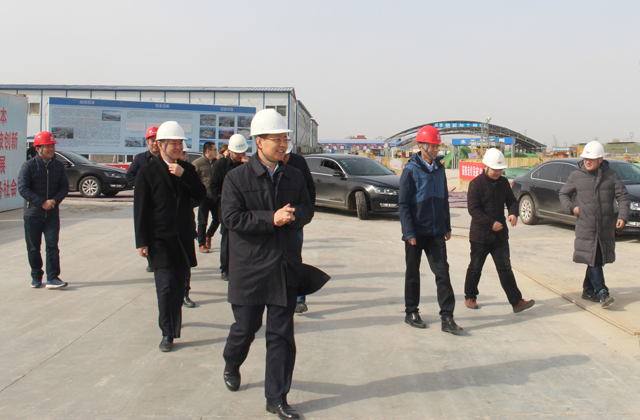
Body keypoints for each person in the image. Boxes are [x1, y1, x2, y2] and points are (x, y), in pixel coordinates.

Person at [221, 109, 328, 420]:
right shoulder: (236, 178)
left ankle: (277, 398)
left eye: (285, 139)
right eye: (276, 139)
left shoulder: (294, 175)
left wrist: (295, 217)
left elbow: (308, 206)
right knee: (246, 328)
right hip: (250, 268)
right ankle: (231, 362)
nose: (283, 145)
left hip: (284, 266)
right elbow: (231, 218)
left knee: (281, 336)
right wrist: (272, 218)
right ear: (259, 141)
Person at [133, 121, 206, 352]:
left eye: (179, 143)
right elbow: (140, 209)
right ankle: (167, 333)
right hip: (159, 240)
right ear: (160, 145)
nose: (177, 147)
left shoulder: (187, 169)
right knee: (164, 288)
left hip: (182, 239)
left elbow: (200, 194)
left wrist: (184, 175)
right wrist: (141, 241)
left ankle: (173, 324)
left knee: (178, 286)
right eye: (173, 143)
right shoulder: (147, 172)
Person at [398, 125, 462, 333]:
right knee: (413, 274)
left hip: (436, 232)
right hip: (416, 234)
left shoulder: (439, 169)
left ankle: (447, 318)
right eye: (432, 146)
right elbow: (403, 204)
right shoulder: (410, 170)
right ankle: (411, 312)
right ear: (421, 146)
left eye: (437, 146)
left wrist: (447, 226)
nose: (435, 150)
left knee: (443, 273)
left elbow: (444, 199)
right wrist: (409, 232)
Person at [559, 141, 630, 308]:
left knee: (594, 258)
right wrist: (572, 208)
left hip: (605, 226)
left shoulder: (611, 175)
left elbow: (623, 196)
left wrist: (623, 216)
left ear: (600, 159)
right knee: (595, 258)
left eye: (591, 159)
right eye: (585, 159)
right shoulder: (576, 175)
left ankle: (588, 289)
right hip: (586, 226)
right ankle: (602, 291)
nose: (587, 162)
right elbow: (563, 194)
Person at [463, 148, 535, 313]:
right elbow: (473, 209)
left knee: (505, 269)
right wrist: (490, 223)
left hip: (500, 236)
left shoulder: (503, 183)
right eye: (495, 169)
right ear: (486, 166)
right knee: (475, 267)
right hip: (480, 236)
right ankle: (470, 296)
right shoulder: (476, 184)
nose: (498, 173)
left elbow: (512, 201)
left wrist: (513, 213)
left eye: (500, 170)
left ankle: (516, 301)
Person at [18, 131, 69, 289]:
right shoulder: (28, 166)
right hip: (33, 214)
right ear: (38, 148)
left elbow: (64, 187)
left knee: (52, 246)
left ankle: (53, 278)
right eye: (48, 146)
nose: (51, 149)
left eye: (53, 146)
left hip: (52, 215)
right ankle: (36, 276)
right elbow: (23, 188)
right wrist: (42, 203)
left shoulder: (58, 166)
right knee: (33, 248)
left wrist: (54, 201)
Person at [282, 141, 316, 314]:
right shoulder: (270, 165)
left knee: (295, 258)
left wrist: (305, 212)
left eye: (287, 155)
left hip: (295, 220)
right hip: (275, 220)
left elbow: (309, 187)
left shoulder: (299, 162)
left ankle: (299, 299)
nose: (284, 158)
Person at [210, 134, 248, 281]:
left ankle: (241, 267)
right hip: (227, 208)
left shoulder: (247, 164)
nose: (241, 156)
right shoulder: (221, 165)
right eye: (238, 153)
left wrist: (249, 166)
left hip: (243, 208)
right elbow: (214, 186)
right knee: (227, 239)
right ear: (231, 151)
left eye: (243, 153)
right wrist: (223, 200)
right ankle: (225, 268)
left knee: (243, 240)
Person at [126, 126, 159, 273]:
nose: (154, 143)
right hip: (146, 201)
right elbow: (129, 176)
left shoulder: (165, 159)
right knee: (147, 230)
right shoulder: (140, 159)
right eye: (152, 140)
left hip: (161, 201)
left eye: (157, 140)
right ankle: (151, 261)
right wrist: (141, 187)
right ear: (147, 142)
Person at [192, 142, 219, 253]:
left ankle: (209, 235)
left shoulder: (218, 163)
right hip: (204, 197)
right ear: (208, 151)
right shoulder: (198, 163)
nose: (216, 152)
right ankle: (202, 244)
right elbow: (192, 179)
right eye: (214, 150)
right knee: (202, 222)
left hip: (216, 197)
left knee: (218, 219)